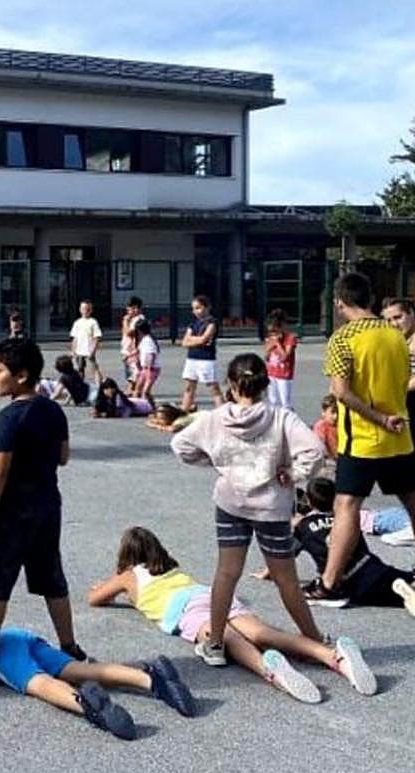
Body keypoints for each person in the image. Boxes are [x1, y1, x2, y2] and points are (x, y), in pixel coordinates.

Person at [88, 527, 377, 703]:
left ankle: (269, 669)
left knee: (228, 639)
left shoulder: (128, 576)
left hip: (183, 609)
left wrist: (110, 586)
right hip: (209, 594)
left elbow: (95, 599)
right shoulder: (171, 567)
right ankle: (332, 655)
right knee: (264, 633)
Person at [170, 353, 327, 666]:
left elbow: (181, 445)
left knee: (226, 573)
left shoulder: (215, 418)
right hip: (271, 507)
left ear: (231, 384)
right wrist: (293, 473)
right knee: (286, 578)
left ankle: (216, 643)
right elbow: (315, 451)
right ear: (265, 384)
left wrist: (216, 463)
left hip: (231, 502)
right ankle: (314, 640)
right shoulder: (281, 418)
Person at [0, 339, 86, 685]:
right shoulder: (52, 410)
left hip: (10, 512)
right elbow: (63, 457)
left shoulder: (9, 417)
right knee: (52, 578)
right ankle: (69, 647)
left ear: (21, 375)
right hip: (47, 507)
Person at [0, 586, 196, 739]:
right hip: (17, 634)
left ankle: (86, 705)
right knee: (78, 669)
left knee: (38, 683)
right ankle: (149, 677)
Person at [307, 273, 415, 606]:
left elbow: (340, 391)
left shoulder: (343, 338)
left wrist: (378, 417)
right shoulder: (396, 335)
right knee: (412, 501)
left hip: (363, 438)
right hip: (400, 435)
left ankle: (330, 583)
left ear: (339, 303)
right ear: (370, 298)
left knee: (346, 506)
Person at [253, 478, 415, 613]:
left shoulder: (302, 526)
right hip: (372, 565)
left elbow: (285, 554)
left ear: (309, 501)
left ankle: (401, 592)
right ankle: (407, 583)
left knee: (388, 596)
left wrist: (268, 573)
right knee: (400, 579)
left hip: (347, 581)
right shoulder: (346, 521)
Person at [179, 295, 222, 412]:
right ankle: (184, 411)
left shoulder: (212, 323)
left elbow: (204, 339)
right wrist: (197, 340)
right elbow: (184, 342)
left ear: (207, 307)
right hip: (191, 359)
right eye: (193, 309)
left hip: (206, 360)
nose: (195, 311)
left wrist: (194, 340)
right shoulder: (193, 324)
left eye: (198, 308)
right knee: (189, 387)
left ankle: (222, 413)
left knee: (213, 387)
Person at [380, 296, 415, 426]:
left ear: (411, 313)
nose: (394, 324)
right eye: (389, 320)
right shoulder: (395, 341)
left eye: (398, 317)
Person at [264, 309, 298, 409]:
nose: (273, 333)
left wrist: (278, 344)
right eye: (271, 331)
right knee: (272, 401)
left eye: (275, 330)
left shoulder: (290, 338)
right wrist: (270, 347)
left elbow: (285, 357)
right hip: (271, 373)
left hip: (284, 374)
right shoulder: (271, 338)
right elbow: (266, 357)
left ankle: (288, 416)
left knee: (285, 402)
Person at [69, 299, 104, 382]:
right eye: (83, 309)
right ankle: (80, 384)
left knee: (94, 368)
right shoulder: (77, 322)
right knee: (80, 368)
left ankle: (99, 384)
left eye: (88, 309)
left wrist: (93, 350)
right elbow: (74, 338)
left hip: (89, 349)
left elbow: (97, 337)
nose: (85, 311)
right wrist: (72, 350)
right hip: (79, 350)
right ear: (80, 309)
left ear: (91, 310)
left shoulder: (93, 322)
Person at [119, 297, 146, 391]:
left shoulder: (139, 319)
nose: (128, 311)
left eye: (130, 309)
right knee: (129, 371)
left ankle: (134, 390)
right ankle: (133, 388)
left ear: (136, 308)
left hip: (134, 351)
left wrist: (125, 321)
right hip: (127, 349)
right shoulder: (131, 319)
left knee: (135, 371)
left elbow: (129, 333)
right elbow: (124, 333)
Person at [132, 321, 161, 404]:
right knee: (138, 388)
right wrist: (129, 356)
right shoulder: (143, 340)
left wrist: (148, 368)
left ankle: (148, 406)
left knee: (145, 391)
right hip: (144, 369)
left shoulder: (148, 341)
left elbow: (151, 355)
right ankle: (136, 404)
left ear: (140, 331)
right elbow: (138, 350)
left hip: (151, 369)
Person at [312, 394, 338, 459]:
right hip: (327, 459)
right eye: (333, 412)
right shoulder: (321, 426)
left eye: (338, 413)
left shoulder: (340, 425)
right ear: (323, 412)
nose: (336, 416)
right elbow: (319, 443)